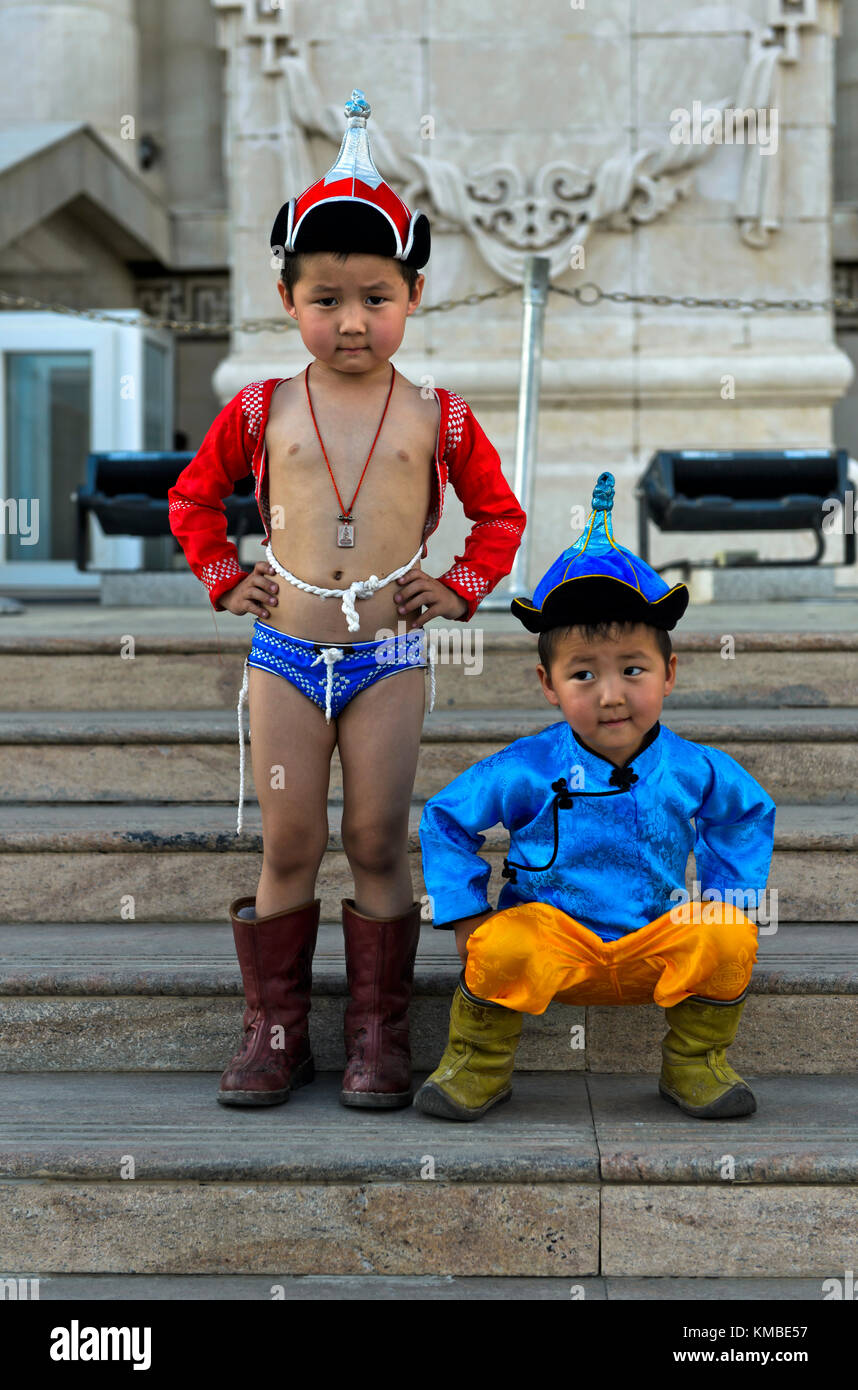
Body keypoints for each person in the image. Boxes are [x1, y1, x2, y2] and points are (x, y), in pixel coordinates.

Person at [168, 89, 526, 1112]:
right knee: (289, 841)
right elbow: (193, 497)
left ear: (413, 295)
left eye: (376, 296)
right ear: (288, 299)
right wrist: (226, 576)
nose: (352, 320)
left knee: (375, 838)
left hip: (389, 657)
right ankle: (277, 1029)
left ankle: (378, 1030)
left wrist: (459, 587)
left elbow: (499, 518)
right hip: (285, 650)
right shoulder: (260, 406)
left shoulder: (438, 417)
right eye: (326, 298)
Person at [414, 471, 776, 1122]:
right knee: (499, 946)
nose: (611, 694)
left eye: (632, 670)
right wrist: (467, 912)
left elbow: (747, 814)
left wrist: (731, 899)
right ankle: (478, 1065)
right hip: (553, 942)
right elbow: (444, 817)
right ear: (548, 684)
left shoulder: (694, 767)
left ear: (669, 673)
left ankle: (697, 1064)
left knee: (727, 940)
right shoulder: (525, 767)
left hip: (654, 940)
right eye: (583, 674)